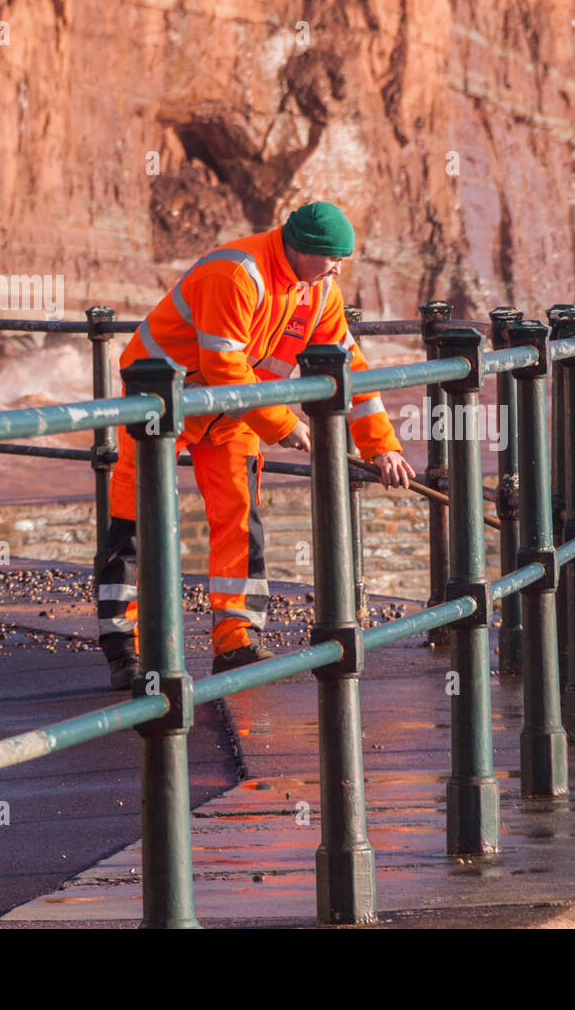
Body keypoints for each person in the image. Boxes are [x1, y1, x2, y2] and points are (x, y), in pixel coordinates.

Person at [94, 201, 415, 689]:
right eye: (332, 258)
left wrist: (381, 448)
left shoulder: (319, 289)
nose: (338, 269)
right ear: (299, 250)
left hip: (233, 410)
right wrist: (282, 423)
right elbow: (223, 364)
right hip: (160, 402)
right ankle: (125, 651)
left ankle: (236, 641)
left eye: (342, 261)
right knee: (134, 519)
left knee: (240, 520)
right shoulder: (236, 272)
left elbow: (349, 369)